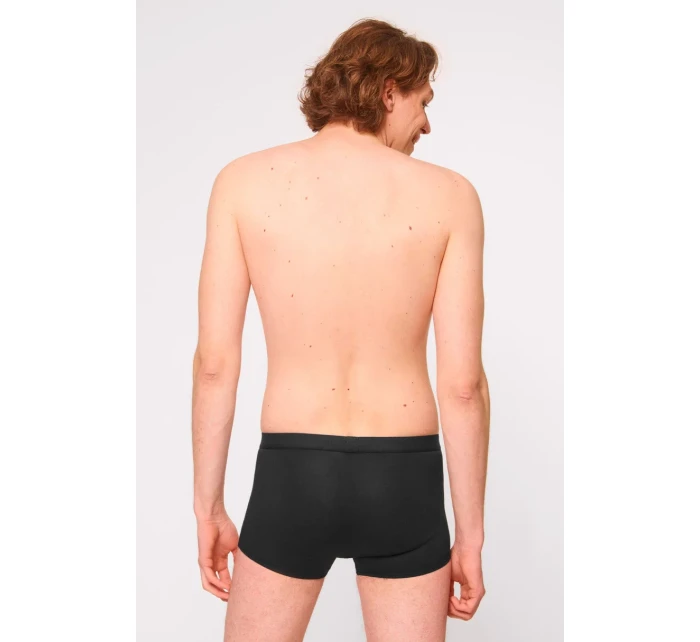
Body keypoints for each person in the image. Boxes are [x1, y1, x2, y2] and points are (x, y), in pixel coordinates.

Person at [191, 17, 490, 642]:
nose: (426, 125)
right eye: (423, 103)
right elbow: (463, 386)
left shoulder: (241, 183)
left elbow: (215, 365)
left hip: (292, 474)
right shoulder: (451, 196)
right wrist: (470, 536)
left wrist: (209, 506)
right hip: (404, 476)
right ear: (388, 91)